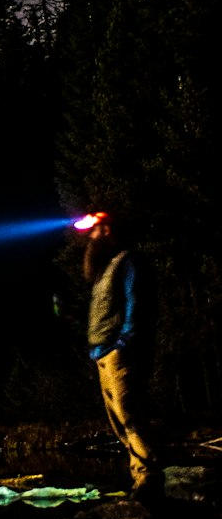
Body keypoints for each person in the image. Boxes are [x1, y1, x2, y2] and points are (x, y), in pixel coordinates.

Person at [81, 211, 164, 502]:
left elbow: (137, 304)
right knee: (119, 421)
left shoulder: (128, 261)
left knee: (131, 415)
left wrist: (125, 342)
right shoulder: (105, 270)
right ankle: (139, 477)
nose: (90, 237)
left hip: (120, 354)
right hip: (102, 354)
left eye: (95, 231)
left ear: (107, 232)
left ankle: (150, 479)